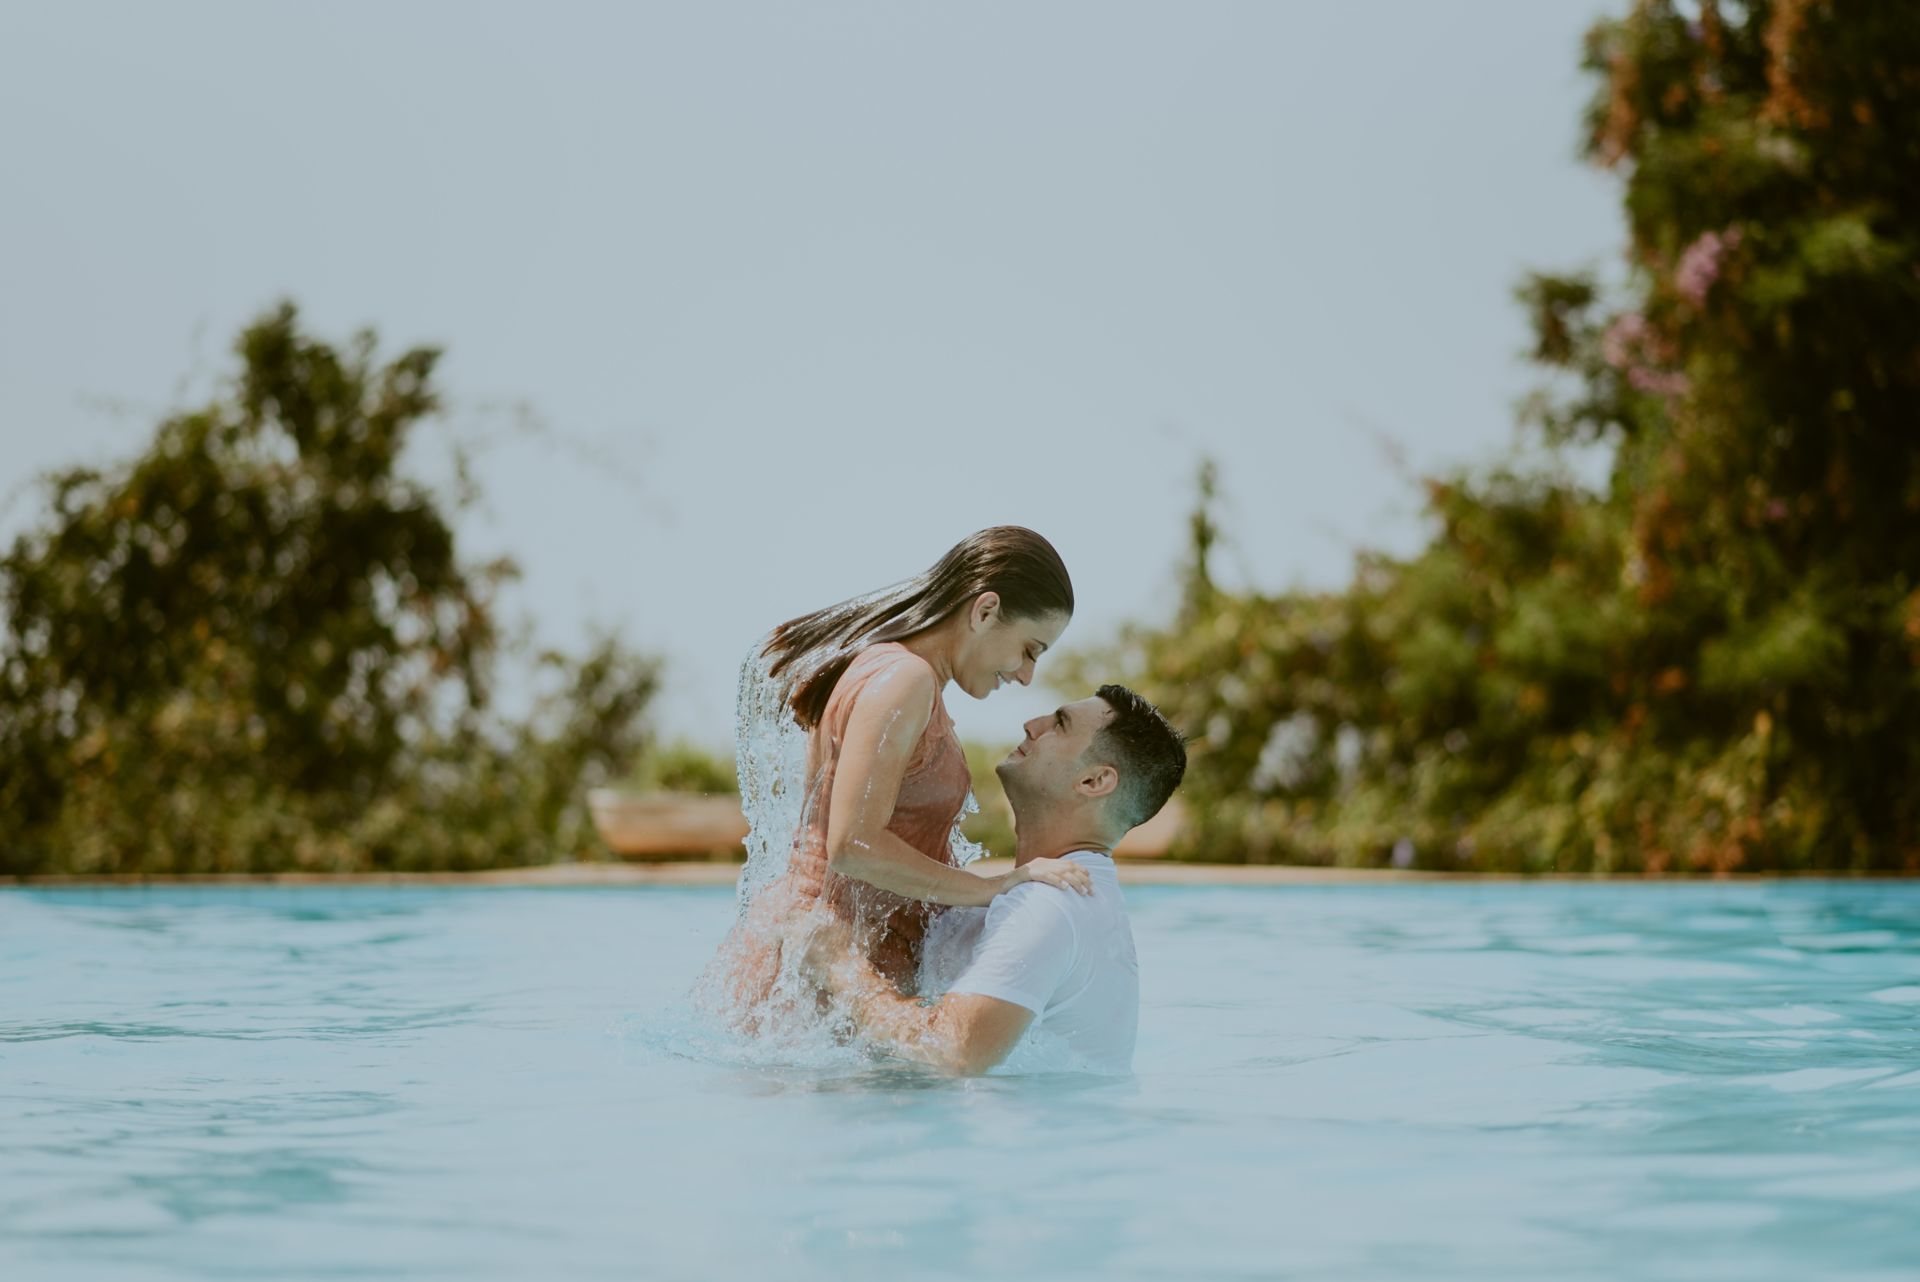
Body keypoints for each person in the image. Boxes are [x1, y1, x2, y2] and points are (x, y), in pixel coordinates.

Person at [701, 527, 1094, 1028]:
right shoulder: (903, 682)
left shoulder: (901, 676)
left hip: (824, 979)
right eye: (1031, 649)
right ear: (985, 611)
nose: (1026, 676)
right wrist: (996, 886)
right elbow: (851, 844)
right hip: (818, 979)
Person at [800, 684, 1186, 1075]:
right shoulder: (1048, 895)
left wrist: (838, 965)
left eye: (1060, 724)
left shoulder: (1050, 904)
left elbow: (955, 1051)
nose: (1032, 725)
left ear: (1093, 781)